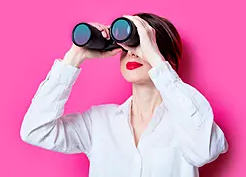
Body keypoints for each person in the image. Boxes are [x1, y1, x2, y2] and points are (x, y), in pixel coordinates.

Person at [20, 13, 228, 177]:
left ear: (168, 61)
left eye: (140, 46)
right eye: (126, 47)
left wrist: (155, 57)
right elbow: (35, 131)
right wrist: (75, 56)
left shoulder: (187, 121)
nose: (132, 52)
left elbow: (205, 151)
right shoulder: (99, 122)